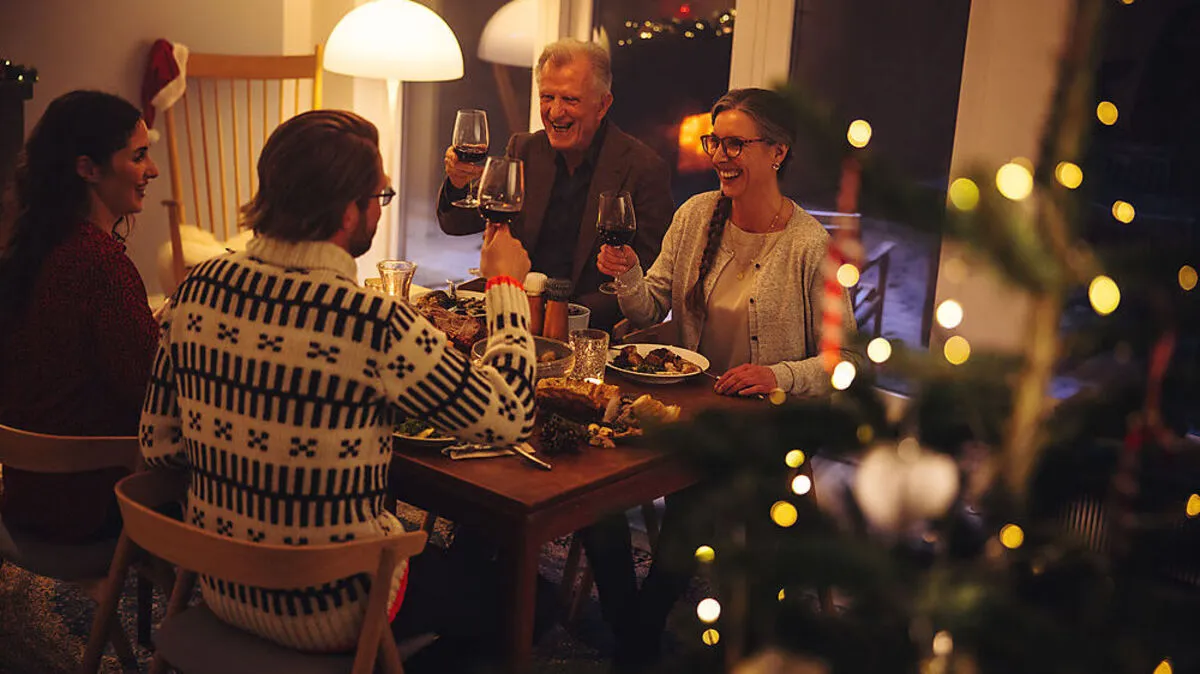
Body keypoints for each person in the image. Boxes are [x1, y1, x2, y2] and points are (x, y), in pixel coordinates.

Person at [139, 109, 537, 653]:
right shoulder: (370, 321)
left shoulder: (196, 288)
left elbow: (158, 448)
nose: (379, 210)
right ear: (349, 213)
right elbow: (510, 415)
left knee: (463, 561)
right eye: (380, 197)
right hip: (337, 609)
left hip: (220, 586)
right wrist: (506, 284)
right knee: (532, 601)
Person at [590, 87, 860, 666]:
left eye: (735, 143)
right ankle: (632, 627)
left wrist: (777, 373)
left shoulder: (812, 246)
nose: (719, 155)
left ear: (777, 153)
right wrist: (628, 274)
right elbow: (649, 308)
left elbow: (844, 363)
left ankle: (640, 629)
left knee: (699, 489)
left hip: (774, 420)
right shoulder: (695, 216)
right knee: (594, 483)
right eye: (715, 141)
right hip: (692, 404)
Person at [0, 90, 160, 544]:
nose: (152, 171)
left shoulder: (29, 248)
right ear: (88, 168)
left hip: (24, 494)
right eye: (139, 156)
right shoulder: (100, 265)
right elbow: (153, 392)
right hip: (89, 507)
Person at [437, 38, 673, 331]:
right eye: (547, 97)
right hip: (516, 314)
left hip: (590, 328)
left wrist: (561, 316)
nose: (555, 112)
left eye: (570, 100)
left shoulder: (643, 168)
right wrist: (459, 183)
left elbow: (650, 284)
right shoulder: (524, 149)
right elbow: (457, 222)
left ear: (603, 104)